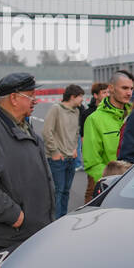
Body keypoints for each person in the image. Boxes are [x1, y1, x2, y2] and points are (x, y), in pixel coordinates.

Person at [0, 72, 55, 259]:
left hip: (24, 236)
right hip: (4, 240)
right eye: (30, 96)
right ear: (14, 98)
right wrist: (15, 216)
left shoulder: (22, 127)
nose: (35, 101)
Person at [82, 70, 134, 202]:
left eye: (131, 88)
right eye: (124, 88)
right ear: (111, 88)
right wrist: (112, 182)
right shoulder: (95, 119)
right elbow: (92, 162)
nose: (129, 92)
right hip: (111, 189)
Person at [43, 84, 84, 220]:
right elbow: (47, 132)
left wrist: (74, 149)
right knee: (58, 191)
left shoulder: (76, 111)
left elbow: (76, 132)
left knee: (66, 191)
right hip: (57, 159)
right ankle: (53, 220)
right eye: (80, 97)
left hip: (71, 157)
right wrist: (54, 152)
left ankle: (62, 218)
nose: (82, 100)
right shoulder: (56, 109)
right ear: (72, 97)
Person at [77, 81, 107, 171]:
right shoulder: (87, 113)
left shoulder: (114, 111)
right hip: (94, 156)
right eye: (104, 93)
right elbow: (83, 135)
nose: (107, 95)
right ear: (95, 95)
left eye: (108, 92)